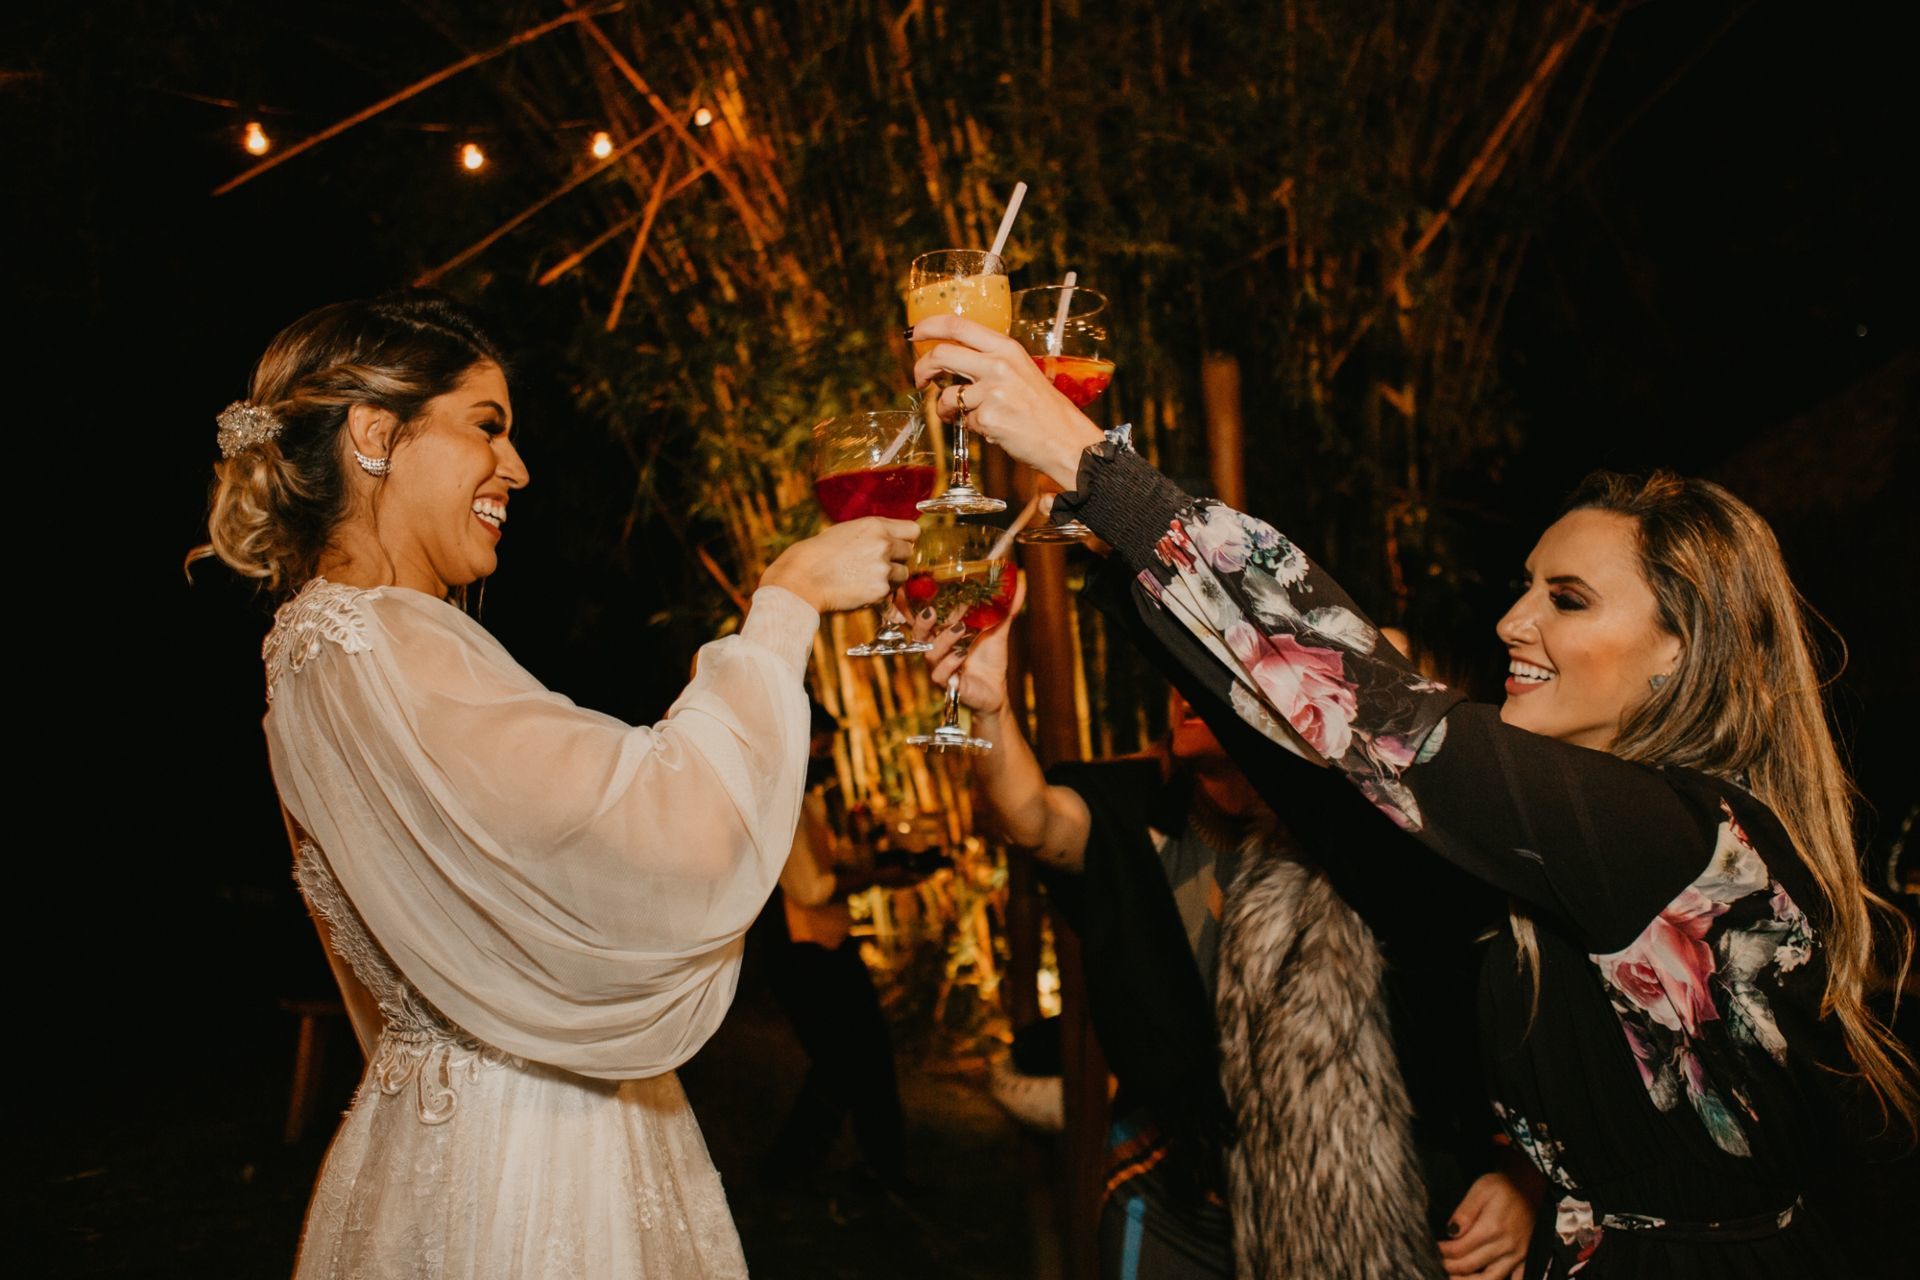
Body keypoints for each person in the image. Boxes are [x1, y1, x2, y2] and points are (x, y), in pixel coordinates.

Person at [908, 313, 1918, 1278]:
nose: (1515, 618)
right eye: (1527, 583)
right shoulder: (1590, 850)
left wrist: (1095, 466)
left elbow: (1382, 718)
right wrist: (1117, 568)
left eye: (1567, 598)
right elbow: (1346, 813)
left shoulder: (1669, 832)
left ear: (1679, 654)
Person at [192, 293, 918, 1277]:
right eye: (486, 426)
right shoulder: (388, 640)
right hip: (538, 1164)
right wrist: (785, 603)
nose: (517, 467)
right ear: (375, 433)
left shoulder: (306, 655)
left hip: (420, 1149)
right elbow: (666, 832)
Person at [932, 581, 1536, 1278]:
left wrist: (1523, 1179)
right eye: (1190, 670)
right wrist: (992, 710)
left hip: (1344, 1217)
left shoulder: (1393, 863)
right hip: (1179, 1188)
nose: (1194, 689)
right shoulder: (1137, 810)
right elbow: (1034, 818)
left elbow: (1515, 1054)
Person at [760, 703, 913, 1191]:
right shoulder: (775, 801)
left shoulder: (805, 800)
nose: (826, 760)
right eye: (820, 749)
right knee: (842, 1063)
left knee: (862, 1058)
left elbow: (831, 868)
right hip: (802, 954)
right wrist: (874, 877)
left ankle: (880, 1164)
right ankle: (790, 1168)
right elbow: (811, 889)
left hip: (829, 943)